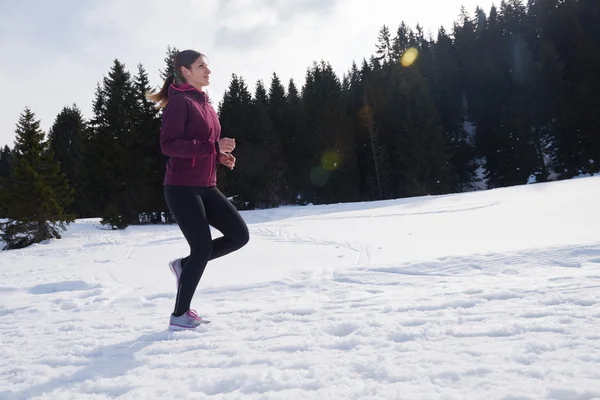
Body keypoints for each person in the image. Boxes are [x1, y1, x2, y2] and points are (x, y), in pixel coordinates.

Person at [147, 49, 249, 330]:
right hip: (181, 187)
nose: (208, 70)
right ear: (185, 71)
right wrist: (213, 148)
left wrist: (219, 157)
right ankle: (180, 315)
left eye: (207, 65)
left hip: (207, 186)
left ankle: (185, 265)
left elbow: (204, 144)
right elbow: (168, 145)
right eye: (201, 66)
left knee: (239, 235)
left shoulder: (205, 102)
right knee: (202, 247)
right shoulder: (179, 103)